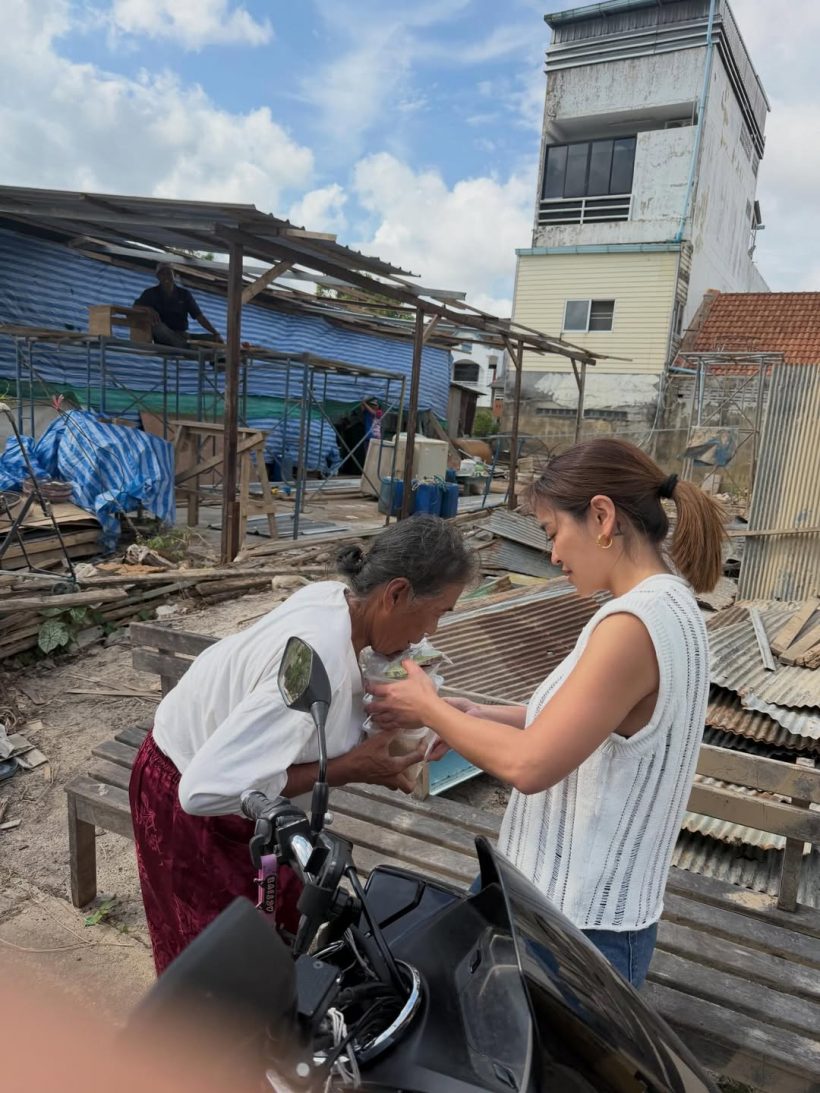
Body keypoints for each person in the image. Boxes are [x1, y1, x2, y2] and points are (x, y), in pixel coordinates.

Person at [368, 438, 724, 989]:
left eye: (555, 533)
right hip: (567, 910)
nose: (554, 555)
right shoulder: (670, 606)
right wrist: (475, 714)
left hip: (579, 930)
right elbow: (574, 726)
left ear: (602, 517)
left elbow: (532, 766)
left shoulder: (632, 626)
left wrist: (432, 709)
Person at [129, 514, 476, 974]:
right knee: (219, 979)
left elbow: (302, 731)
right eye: (437, 612)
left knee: (274, 939)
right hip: (188, 802)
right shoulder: (319, 659)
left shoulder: (335, 602)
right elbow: (202, 791)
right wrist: (353, 767)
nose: (428, 633)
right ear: (395, 594)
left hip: (237, 802)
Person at [133, 263, 222, 348]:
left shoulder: (184, 294)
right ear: (158, 277)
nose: (166, 276)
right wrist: (148, 309)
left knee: (216, 340)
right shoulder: (150, 293)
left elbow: (199, 316)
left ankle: (218, 361)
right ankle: (187, 348)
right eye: (162, 274)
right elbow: (135, 306)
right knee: (157, 327)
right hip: (163, 337)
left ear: (174, 275)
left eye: (168, 273)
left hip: (182, 335)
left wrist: (215, 333)